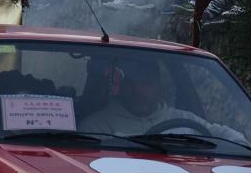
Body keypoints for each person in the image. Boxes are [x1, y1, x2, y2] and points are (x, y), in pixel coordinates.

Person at [80, 60, 246, 143]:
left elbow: (225, 136)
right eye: (131, 84)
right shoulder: (96, 127)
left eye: (146, 83)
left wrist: (242, 145)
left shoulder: (185, 121)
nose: (138, 91)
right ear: (121, 87)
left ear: (159, 87)